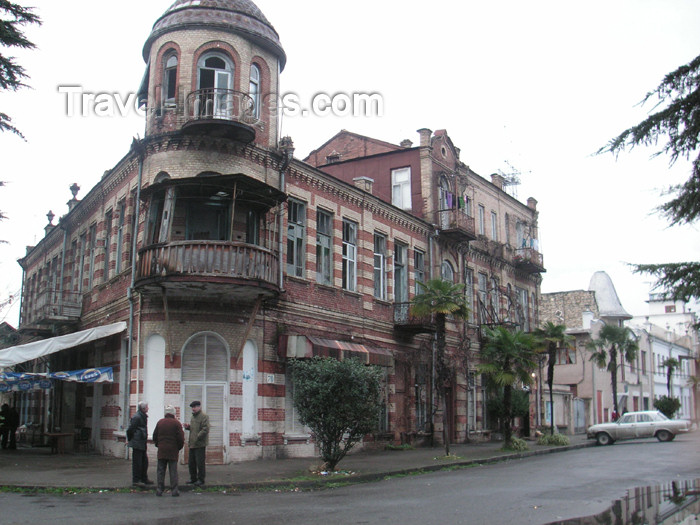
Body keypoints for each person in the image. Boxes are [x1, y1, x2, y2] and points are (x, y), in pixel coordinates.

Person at [153, 404, 184, 497]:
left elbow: (155, 436)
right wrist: (178, 447)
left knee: (160, 470)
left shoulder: (160, 422)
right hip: (173, 450)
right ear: (173, 413)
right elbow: (181, 438)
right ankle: (174, 490)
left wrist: (158, 444)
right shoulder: (176, 423)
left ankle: (159, 489)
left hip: (162, 450)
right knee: (173, 471)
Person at [127, 400, 152, 486]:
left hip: (141, 441)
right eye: (147, 407)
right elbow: (130, 429)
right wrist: (131, 439)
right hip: (137, 442)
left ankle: (144, 478)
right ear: (143, 408)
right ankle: (136, 480)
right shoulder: (137, 417)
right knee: (137, 462)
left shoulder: (142, 416)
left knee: (144, 461)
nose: (148, 408)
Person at [184, 400, 209, 486]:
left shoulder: (204, 416)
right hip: (192, 443)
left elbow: (205, 429)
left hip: (200, 444)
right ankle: (193, 478)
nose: (193, 409)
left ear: (199, 407)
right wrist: (188, 427)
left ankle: (201, 479)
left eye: (195, 407)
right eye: (192, 407)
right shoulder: (193, 417)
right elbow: (193, 429)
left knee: (200, 463)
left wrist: (198, 437)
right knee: (191, 463)